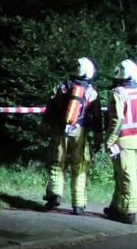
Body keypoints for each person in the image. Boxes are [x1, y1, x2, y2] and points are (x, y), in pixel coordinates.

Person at [41, 57, 102, 214]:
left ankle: (54, 194)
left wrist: (44, 127)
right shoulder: (92, 92)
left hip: (59, 130)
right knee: (79, 167)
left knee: (56, 163)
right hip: (80, 132)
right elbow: (96, 118)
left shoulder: (60, 88)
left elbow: (50, 109)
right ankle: (78, 204)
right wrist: (98, 137)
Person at [103, 59, 137, 224]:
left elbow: (117, 120)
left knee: (127, 177)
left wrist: (110, 140)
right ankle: (117, 207)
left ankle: (128, 212)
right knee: (123, 175)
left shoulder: (118, 93)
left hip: (124, 140)